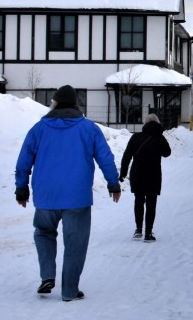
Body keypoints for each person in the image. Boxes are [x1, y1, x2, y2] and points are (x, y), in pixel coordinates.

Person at [15, 85, 120, 302]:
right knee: (75, 243)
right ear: (75, 104)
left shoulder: (39, 129)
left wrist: (21, 188)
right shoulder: (88, 128)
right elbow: (105, 158)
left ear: (53, 103)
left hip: (46, 196)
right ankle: (69, 290)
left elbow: (24, 160)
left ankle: (47, 276)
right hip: (77, 197)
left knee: (44, 233)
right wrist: (113, 184)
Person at [119, 113, 171, 242]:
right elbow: (167, 153)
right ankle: (148, 234)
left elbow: (127, 156)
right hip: (153, 174)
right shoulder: (160, 138)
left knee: (138, 200)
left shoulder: (136, 137)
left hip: (137, 174)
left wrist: (123, 173)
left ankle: (138, 229)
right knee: (151, 203)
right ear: (157, 124)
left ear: (145, 124)